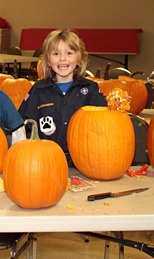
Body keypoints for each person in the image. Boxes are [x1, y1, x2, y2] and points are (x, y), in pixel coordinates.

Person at [18, 29, 106, 167]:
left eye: (69, 53)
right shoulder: (38, 91)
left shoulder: (91, 90)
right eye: (56, 54)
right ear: (47, 59)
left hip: (84, 162)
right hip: (46, 162)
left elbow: (105, 127)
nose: (62, 59)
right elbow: (24, 125)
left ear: (79, 58)